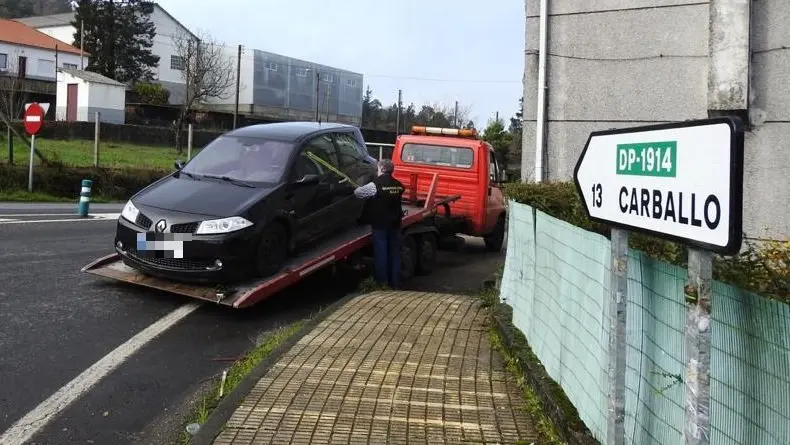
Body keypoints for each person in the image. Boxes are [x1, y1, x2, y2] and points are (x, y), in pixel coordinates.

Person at [354, 159, 405, 289]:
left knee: (381, 254)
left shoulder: (375, 185)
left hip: (380, 225)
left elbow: (358, 194)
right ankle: (396, 284)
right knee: (395, 254)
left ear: (381, 169)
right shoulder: (399, 185)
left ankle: (382, 285)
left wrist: (357, 186)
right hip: (395, 224)